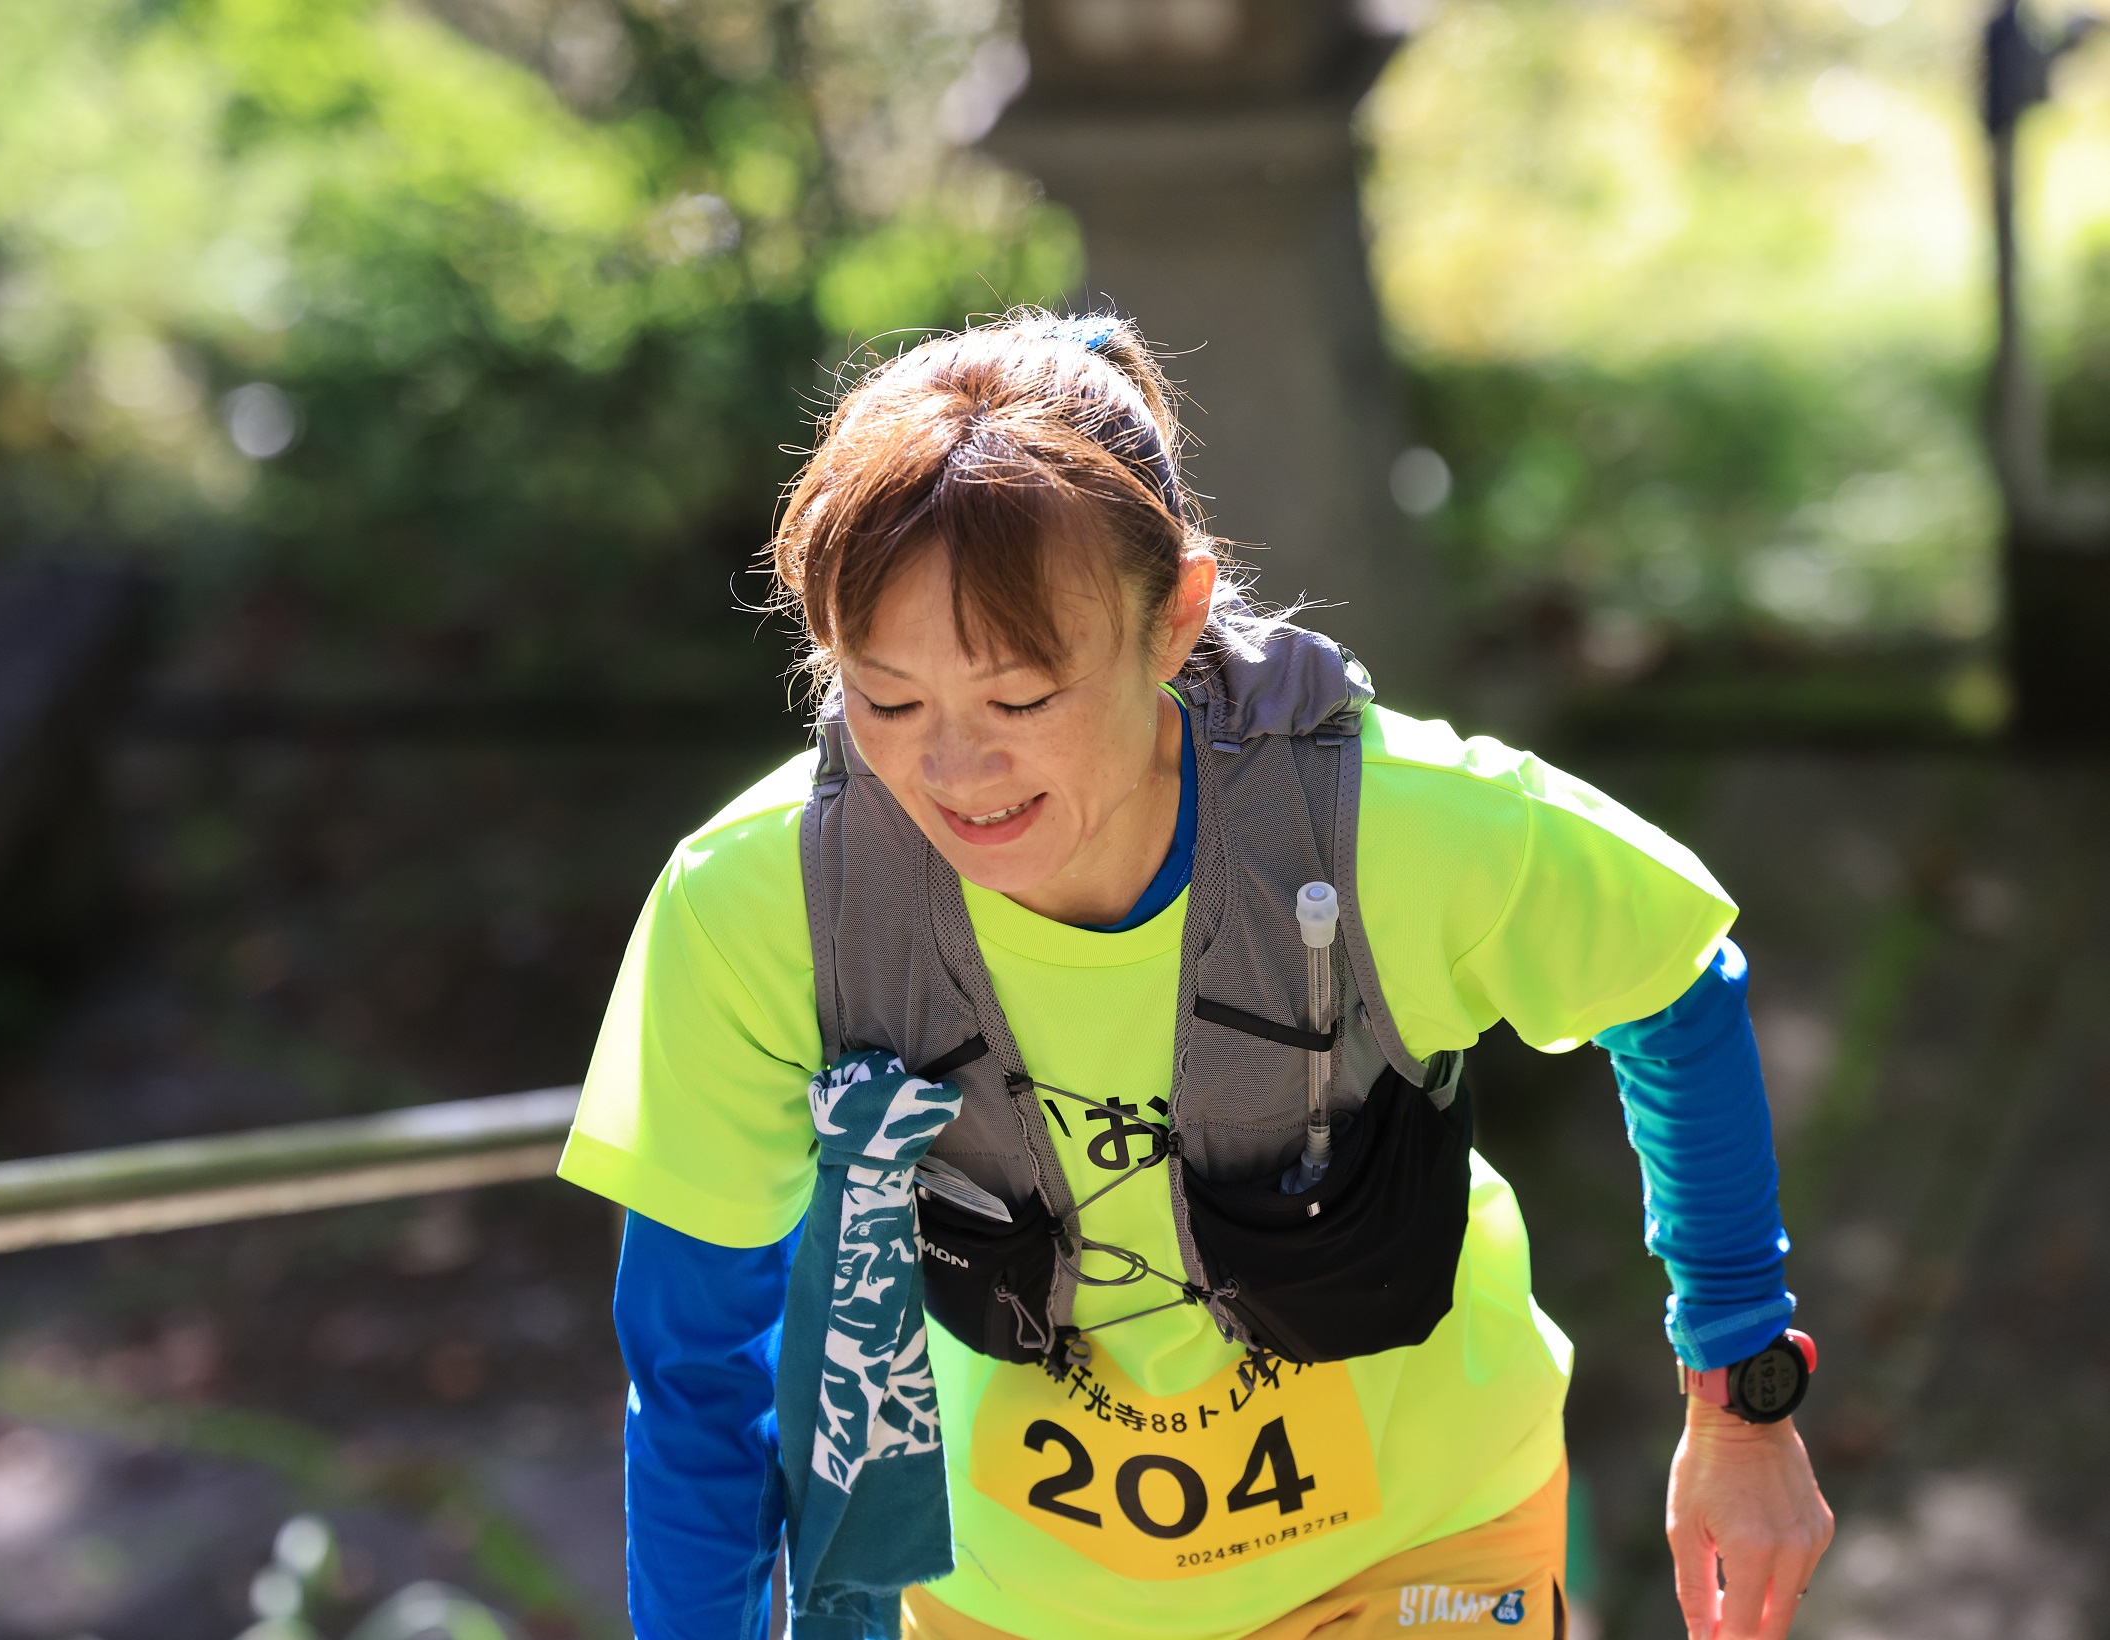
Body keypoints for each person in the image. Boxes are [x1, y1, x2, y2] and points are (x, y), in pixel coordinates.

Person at [559, 311, 1833, 1640]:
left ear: (1173, 615)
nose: (955, 771)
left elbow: (1675, 984)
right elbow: (702, 1373)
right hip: (1005, 1595)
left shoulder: (1388, 825)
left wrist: (1739, 1396)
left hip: (1413, 1545)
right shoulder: (760, 905)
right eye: (887, 703)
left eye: (1020, 699)